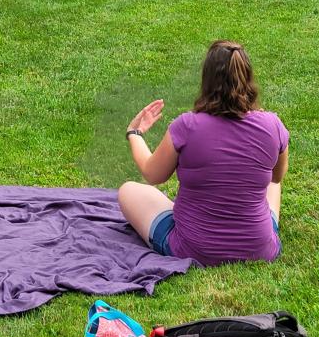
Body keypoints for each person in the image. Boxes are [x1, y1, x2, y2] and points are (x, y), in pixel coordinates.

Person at [117, 41, 288, 266]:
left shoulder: (187, 126)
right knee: (271, 182)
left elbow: (153, 174)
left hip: (193, 249)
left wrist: (135, 133)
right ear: (248, 78)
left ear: (207, 80)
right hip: (260, 249)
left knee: (128, 190)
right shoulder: (273, 125)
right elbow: (276, 178)